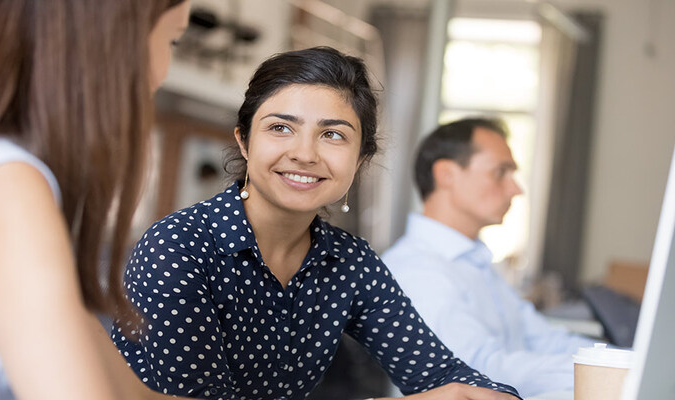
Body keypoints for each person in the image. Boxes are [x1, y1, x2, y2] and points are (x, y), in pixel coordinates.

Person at [111, 47, 521, 400]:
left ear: (360, 159)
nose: (304, 154)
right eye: (280, 128)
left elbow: (440, 373)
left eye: (333, 135)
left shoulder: (351, 262)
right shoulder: (180, 245)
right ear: (244, 141)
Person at [0, 1, 195, 399]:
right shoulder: (6, 186)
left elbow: (134, 395)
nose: (163, 72)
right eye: (173, 41)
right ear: (112, 45)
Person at [382, 118, 596, 398]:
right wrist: (601, 370)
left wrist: (621, 360)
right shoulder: (417, 269)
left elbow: (541, 337)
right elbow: (475, 370)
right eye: (501, 172)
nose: (516, 189)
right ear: (446, 174)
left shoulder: (475, 261)